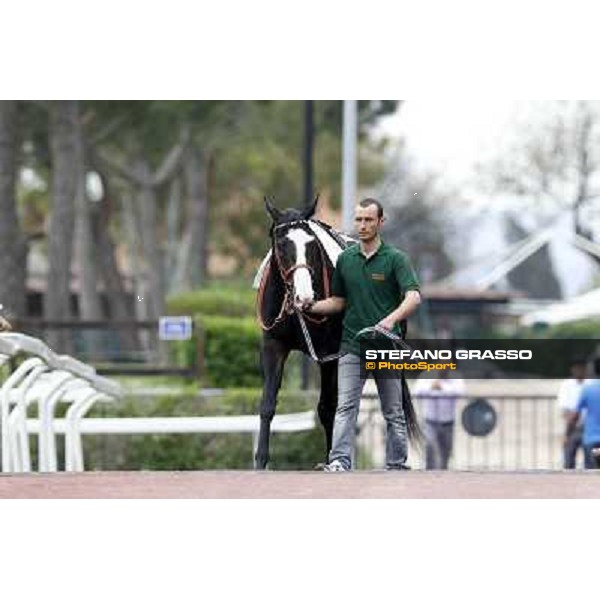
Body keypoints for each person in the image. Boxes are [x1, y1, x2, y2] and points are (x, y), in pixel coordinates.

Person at [298, 198, 421, 471]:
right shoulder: (345, 260)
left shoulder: (396, 259)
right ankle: (340, 461)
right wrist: (310, 306)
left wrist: (389, 321)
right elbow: (338, 302)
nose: (362, 225)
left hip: (386, 349)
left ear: (380, 222)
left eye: (368, 220)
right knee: (345, 409)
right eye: (359, 220)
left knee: (394, 412)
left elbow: (413, 297)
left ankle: (396, 465)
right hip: (352, 346)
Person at [413, 370, 465, 470]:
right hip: (430, 420)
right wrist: (431, 387)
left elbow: (460, 391)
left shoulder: (455, 376)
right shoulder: (427, 375)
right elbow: (416, 391)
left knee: (445, 452)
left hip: (448, 421)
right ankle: (429, 472)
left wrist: (442, 387)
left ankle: (443, 473)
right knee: (430, 447)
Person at [557, 358, 593, 469]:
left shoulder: (591, 384)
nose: (579, 370)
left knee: (591, 462)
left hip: (590, 427)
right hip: (573, 428)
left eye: (582, 368)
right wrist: (568, 430)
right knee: (568, 462)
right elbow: (564, 408)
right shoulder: (566, 385)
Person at [568, 358, 600, 469]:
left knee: (591, 474)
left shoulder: (588, 390)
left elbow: (575, 416)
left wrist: (568, 433)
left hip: (591, 438)